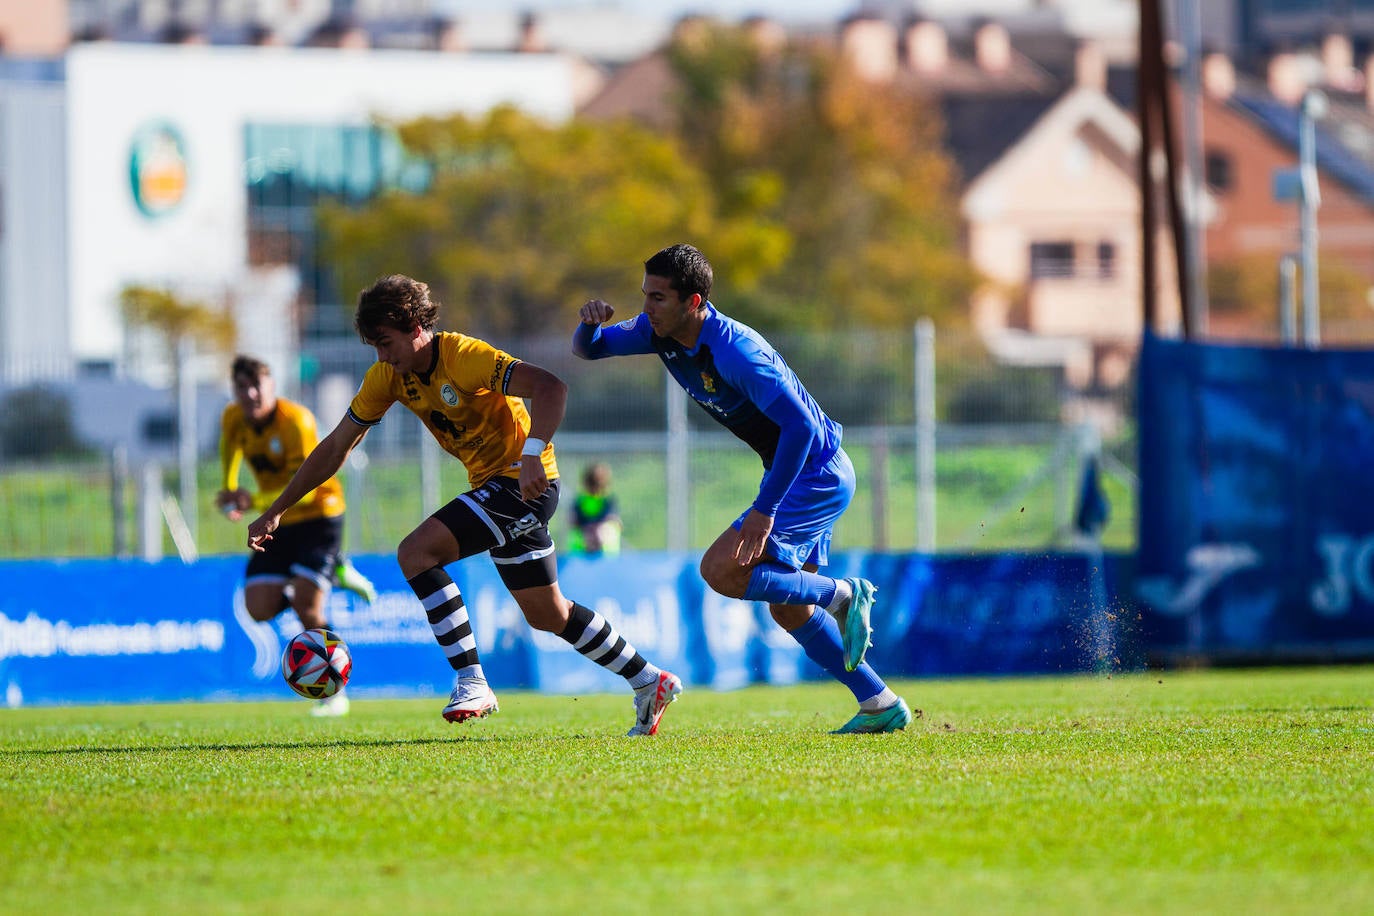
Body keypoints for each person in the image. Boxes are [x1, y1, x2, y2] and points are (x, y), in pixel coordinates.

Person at [246, 275, 682, 736]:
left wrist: (533, 452)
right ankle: (649, 680)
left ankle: (472, 680)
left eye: (386, 342)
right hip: (498, 489)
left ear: (415, 326)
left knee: (416, 553)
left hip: (523, 483)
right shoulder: (387, 377)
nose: (381, 356)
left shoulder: (465, 357)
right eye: (374, 346)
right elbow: (337, 445)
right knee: (548, 613)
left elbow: (552, 388)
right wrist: (279, 508)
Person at [573, 243, 912, 734]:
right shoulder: (658, 330)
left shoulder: (736, 352)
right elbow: (592, 348)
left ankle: (841, 594)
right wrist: (588, 323)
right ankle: (879, 702)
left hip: (813, 473)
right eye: (645, 295)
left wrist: (764, 509)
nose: (646, 308)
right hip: (802, 472)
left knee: (720, 570)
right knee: (790, 609)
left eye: (659, 298)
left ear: (694, 302)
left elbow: (802, 431)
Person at [217, 354, 376, 718]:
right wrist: (230, 491)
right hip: (280, 521)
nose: (251, 394)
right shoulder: (233, 418)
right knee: (257, 608)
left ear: (272, 386)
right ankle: (327, 575)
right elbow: (231, 454)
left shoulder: (296, 422)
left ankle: (334, 694)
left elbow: (300, 485)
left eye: (257, 385)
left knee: (308, 607)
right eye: (242, 387)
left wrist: (252, 500)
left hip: (318, 516)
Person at [568, 462, 622, 556]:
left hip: (605, 550)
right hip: (582, 547)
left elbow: (615, 521)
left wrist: (598, 529)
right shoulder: (580, 502)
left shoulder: (607, 501)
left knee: (603, 532)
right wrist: (588, 530)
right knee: (585, 536)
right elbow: (572, 522)